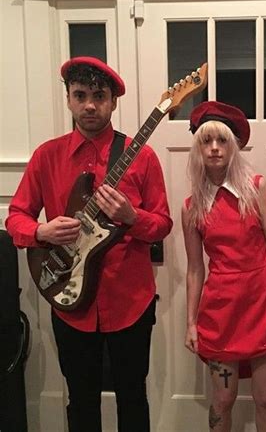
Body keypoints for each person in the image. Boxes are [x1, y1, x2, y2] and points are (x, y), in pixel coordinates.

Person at [6, 56, 173, 432]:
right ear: (68, 99)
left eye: (99, 96)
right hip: (69, 302)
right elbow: (15, 217)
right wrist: (41, 232)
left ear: (114, 101)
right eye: (80, 95)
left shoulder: (141, 156)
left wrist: (133, 217)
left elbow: (162, 226)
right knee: (81, 401)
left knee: (133, 397)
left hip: (130, 300)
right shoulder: (46, 157)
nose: (90, 105)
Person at [182, 101, 266, 432]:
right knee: (223, 399)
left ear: (233, 146)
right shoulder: (191, 207)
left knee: (265, 398)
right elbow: (194, 269)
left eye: (222, 141)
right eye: (207, 141)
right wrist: (191, 322)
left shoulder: (257, 188)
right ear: (198, 148)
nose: (215, 149)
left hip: (264, 303)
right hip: (221, 312)